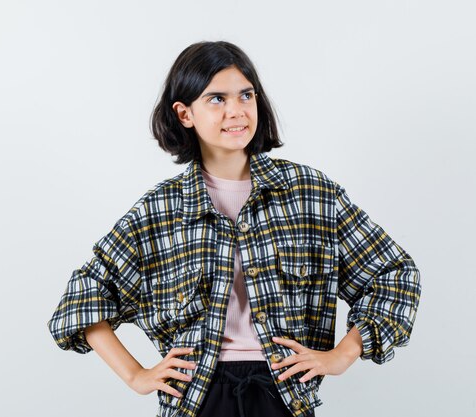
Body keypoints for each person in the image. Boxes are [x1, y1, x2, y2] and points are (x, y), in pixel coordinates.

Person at [47, 40, 421, 417]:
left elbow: (394, 274)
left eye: (245, 95)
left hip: (284, 395)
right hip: (197, 399)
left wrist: (344, 354)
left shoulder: (310, 193)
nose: (236, 111)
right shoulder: (161, 208)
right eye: (216, 99)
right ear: (184, 113)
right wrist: (136, 375)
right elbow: (83, 297)